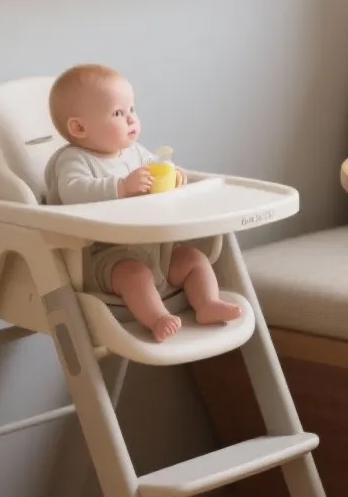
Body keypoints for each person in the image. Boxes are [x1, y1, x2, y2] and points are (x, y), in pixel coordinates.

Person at [43, 64, 241, 342]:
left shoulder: (133, 152)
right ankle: (158, 318)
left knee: (193, 258)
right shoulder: (73, 160)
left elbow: (157, 167)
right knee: (134, 275)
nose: (131, 120)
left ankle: (207, 303)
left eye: (132, 110)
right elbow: (73, 193)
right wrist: (120, 187)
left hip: (154, 249)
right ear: (78, 127)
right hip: (104, 257)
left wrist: (174, 175)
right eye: (118, 113)